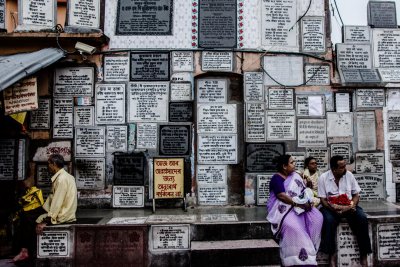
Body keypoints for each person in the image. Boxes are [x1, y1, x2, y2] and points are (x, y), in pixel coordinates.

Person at [267, 154, 323, 266]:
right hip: (283, 209)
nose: (294, 164)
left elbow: (303, 185)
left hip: (299, 207)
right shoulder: (276, 178)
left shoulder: (295, 175)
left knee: (317, 218)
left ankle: (310, 250)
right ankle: (296, 260)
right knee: (294, 228)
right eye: (292, 162)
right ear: (284, 166)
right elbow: (282, 196)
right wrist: (299, 203)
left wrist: (306, 181)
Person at [318, 155, 372, 267]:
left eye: (345, 165)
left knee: (362, 218)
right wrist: (334, 208)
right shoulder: (323, 178)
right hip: (330, 207)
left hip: (349, 206)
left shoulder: (349, 175)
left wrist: (351, 205)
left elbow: (356, 195)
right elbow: (323, 200)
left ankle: (364, 255)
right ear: (334, 169)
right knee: (328, 221)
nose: (345, 168)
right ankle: (331, 256)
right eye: (342, 167)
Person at [35, 154, 78, 235]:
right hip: (68, 213)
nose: (48, 166)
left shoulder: (61, 179)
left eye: (49, 164)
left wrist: (47, 220)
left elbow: (57, 202)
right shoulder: (68, 176)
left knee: (28, 220)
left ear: (54, 164)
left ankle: (26, 247)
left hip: (62, 216)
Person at [11, 176, 45, 262]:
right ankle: (24, 251)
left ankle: (26, 252)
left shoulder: (36, 191)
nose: (24, 183)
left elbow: (38, 203)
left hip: (34, 214)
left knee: (27, 227)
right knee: (22, 227)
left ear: (30, 182)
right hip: (28, 215)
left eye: (26, 181)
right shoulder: (25, 191)